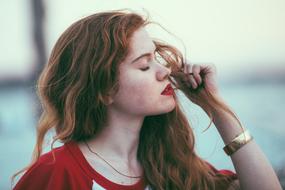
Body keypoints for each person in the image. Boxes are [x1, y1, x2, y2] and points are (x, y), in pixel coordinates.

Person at [12, 10, 282, 190]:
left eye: (157, 58)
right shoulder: (57, 173)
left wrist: (216, 108)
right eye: (144, 66)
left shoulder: (172, 166)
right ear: (103, 89)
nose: (164, 71)